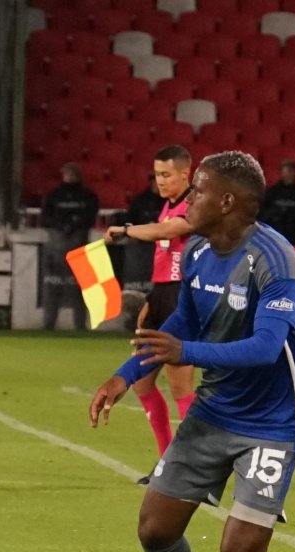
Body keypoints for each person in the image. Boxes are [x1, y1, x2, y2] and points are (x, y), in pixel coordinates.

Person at [88, 151, 295, 552]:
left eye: (199, 190)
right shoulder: (195, 252)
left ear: (227, 201)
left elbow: (263, 347)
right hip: (215, 410)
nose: (189, 199)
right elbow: (184, 322)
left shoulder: (276, 260)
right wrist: (124, 375)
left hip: (273, 422)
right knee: (155, 531)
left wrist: (184, 354)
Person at [103, 145, 197, 480]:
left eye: (167, 174)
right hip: (161, 296)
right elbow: (164, 253)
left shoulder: (195, 203)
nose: (160, 181)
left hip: (181, 299)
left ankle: (190, 466)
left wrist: (126, 230)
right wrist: (150, 298)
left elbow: (168, 232)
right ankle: (165, 462)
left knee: (181, 388)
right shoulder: (168, 204)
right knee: (142, 384)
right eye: (157, 174)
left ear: (186, 173)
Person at [41, 162, 98, 331]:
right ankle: (48, 323)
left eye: (72, 174)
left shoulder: (87, 196)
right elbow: (45, 218)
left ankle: (80, 324)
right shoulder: (54, 196)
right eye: (67, 174)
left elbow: (90, 217)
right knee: (53, 285)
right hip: (57, 246)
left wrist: (71, 224)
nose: (69, 177)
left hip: (79, 245)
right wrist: (63, 225)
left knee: (80, 288)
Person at [259, 159, 295, 247]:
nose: (289, 175)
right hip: (273, 234)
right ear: (281, 173)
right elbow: (261, 215)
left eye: (292, 171)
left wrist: (291, 215)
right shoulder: (270, 193)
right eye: (287, 171)